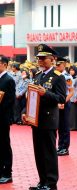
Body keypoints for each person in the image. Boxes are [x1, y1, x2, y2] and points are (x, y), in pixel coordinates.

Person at [22, 44, 66, 190]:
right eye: (39, 58)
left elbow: (61, 98)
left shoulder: (58, 77)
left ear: (52, 59)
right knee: (39, 152)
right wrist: (25, 111)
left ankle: (51, 183)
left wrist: (45, 93)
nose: (40, 60)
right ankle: (42, 181)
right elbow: (31, 97)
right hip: (35, 119)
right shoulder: (38, 76)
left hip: (48, 119)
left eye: (43, 58)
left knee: (49, 152)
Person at [0, 56, 15, 184]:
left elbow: (10, 101)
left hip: (3, 118)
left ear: (4, 64)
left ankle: (7, 173)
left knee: (4, 145)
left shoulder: (9, 80)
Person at [55, 57, 74, 156]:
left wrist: (63, 102)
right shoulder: (56, 75)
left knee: (65, 125)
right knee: (59, 125)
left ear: (64, 65)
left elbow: (71, 92)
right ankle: (60, 146)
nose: (57, 66)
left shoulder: (67, 77)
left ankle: (65, 148)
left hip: (65, 103)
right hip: (58, 104)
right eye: (56, 65)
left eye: (59, 65)